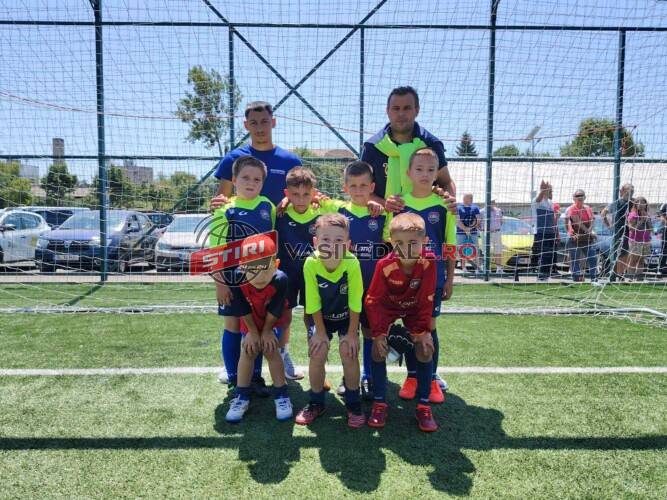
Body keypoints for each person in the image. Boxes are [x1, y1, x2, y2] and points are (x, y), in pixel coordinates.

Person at [364, 212, 440, 432]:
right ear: (390, 241)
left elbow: (426, 299)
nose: (406, 248)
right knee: (377, 350)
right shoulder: (384, 265)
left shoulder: (429, 262)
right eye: (399, 243)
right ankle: (380, 403)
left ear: (425, 241)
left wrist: (422, 331)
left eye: (413, 243)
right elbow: (373, 301)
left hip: (414, 308)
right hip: (388, 307)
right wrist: (379, 333)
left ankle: (423, 406)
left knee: (425, 348)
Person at [391, 148, 456, 402]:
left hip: (433, 279)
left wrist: (449, 278)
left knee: (429, 326)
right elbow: (390, 243)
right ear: (409, 172)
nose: (425, 174)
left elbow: (449, 245)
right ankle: (411, 377)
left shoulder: (444, 205)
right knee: (410, 326)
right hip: (406, 280)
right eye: (419, 169)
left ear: (437, 173)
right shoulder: (399, 204)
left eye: (430, 169)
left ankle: (431, 379)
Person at [210, 155, 276, 394]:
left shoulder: (268, 206)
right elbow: (216, 250)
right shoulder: (225, 209)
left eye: (257, 179)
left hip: (259, 280)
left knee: (254, 326)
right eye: (245, 177)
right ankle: (233, 376)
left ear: (263, 183)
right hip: (231, 278)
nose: (251, 183)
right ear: (234, 180)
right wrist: (220, 283)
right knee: (233, 325)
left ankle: (254, 377)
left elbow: (272, 242)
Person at [295, 214, 365, 428]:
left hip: (346, 318)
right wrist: (319, 332)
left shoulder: (352, 263)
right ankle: (316, 402)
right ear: (315, 242)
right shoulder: (311, 263)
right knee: (318, 352)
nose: (332, 245)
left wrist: (352, 334)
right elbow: (313, 302)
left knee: (349, 352)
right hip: (321, 318)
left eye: (338, 240)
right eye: (325, 240)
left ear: (348, 244)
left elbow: (355, 301)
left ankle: (353, 403)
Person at [334, 161, 389, 400]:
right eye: (353, 186)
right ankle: (348, 377)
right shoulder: (337, 212)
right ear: (345, 187)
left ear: (372, 187)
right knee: (347, 332)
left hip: (373, 288)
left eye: (363, 185)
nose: (358, 190)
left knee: (369, 332)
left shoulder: (382, 214)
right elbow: (311, 198)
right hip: (345, 287)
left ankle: (368, 376)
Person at [224, 234, 293, 423]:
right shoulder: (237, 277)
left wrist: (267, 331)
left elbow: (276, 308)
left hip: (272, 320)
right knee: (248, 350)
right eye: (252, 269)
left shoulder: (281, 279)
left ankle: (281, 394)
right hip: (250, 320)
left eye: (265, 268)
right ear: (242, 266)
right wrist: (253, 332)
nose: (259, 276)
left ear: (276, 264)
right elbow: (242, 308)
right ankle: (241, 396)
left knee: (271, 350)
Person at [360, 86, 456, 212]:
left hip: (424, 220)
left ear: (417, 110)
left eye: (407, 108)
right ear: (387, 111)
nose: (401, 113)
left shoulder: (431, 144)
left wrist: (449, 200)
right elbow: (360, 189)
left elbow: (446, 182)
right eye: (396, 108)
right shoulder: (372, 146)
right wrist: (384, 204)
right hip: (383, 220)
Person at [210, 101, 302, 209]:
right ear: (246, 125)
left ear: (273, 122)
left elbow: (303, 195)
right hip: (244, 220)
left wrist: (314, 198)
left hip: (282, 220)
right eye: (254, 123)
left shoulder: (291, 161)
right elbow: (221, 203)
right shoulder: (232, 159)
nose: (259, 128)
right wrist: (216, 205)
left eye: (264, 122)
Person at [601, 183, 634, 280]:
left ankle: (620, 274)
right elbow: (603, 213)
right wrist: (609, 226)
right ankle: (614, 273)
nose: (631, 194)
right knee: (617, 253)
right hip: (618, 232)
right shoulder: (617, 202)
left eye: (632, 192)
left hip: (629, 232)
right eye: (629, 191)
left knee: (625, 253)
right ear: (623, 191)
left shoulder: (633, 203)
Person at [565, 189, 597, 283]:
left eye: (581, 195)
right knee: (575, 259)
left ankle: (594, 278)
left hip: (586, 238)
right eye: (577, 196)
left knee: (593, 257)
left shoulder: (588, 208)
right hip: (575, 237)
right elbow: (577, 222)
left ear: (585, 197)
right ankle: (577, 279)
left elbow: (592, 220)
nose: (580, 197)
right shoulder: (571, 209)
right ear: (574, 198)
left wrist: (591, 231)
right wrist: (589, 232)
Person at [531, 181, 558, 281]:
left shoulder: (550, 202)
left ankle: (546, 275)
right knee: (543, 254)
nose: (550, 192)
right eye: (549, 190)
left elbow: (552, 219)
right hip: (540, 231)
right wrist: (543, 190)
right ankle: (541, 276)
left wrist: (555, 231)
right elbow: (538, 199)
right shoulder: (536, 200)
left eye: (551, 190)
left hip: (550, 232)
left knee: (550, 255)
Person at [626, 197, 653, 281]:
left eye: (643, 203)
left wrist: (647, 220)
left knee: (641, 260)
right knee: (633, 259)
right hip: (635, 241)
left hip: (645, 241)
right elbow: (631, 229)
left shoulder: (647, 215)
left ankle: (639, 278)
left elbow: (651, 229)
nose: (641, 205)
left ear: (646, 205)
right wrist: (641, 220)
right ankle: (630, 277)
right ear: (635, 204)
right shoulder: (633, 215)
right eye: (639, 203)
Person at [456, 193, 482, 273]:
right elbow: (457, 220)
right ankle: (464, 268)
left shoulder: (475, 207)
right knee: (462, 250)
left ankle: (477, 268)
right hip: (460, 233)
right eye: (465, 197)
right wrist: (465, 229)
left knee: (475, 250)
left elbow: (478, 219)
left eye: (469, 198)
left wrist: (470, 228)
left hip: (473, 232)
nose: (465, 199)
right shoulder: (458, 208)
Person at [481, 199, 504, 273]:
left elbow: (501, 221)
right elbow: (478, 223)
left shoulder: (498, 210)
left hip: (497, 232)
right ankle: (487, 269)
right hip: (486, 233)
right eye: (491, 201)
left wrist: (495, 228)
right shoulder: (482, 211)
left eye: (494, 201)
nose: (493, 203)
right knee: (486, 251)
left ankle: (499, 269)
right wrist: (483, 230)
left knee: (498, 251)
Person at [658, 203, 667, 276]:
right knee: (664, 249)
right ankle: (661, 268)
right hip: (666, 230)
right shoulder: (664, 205)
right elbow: (661, 217)